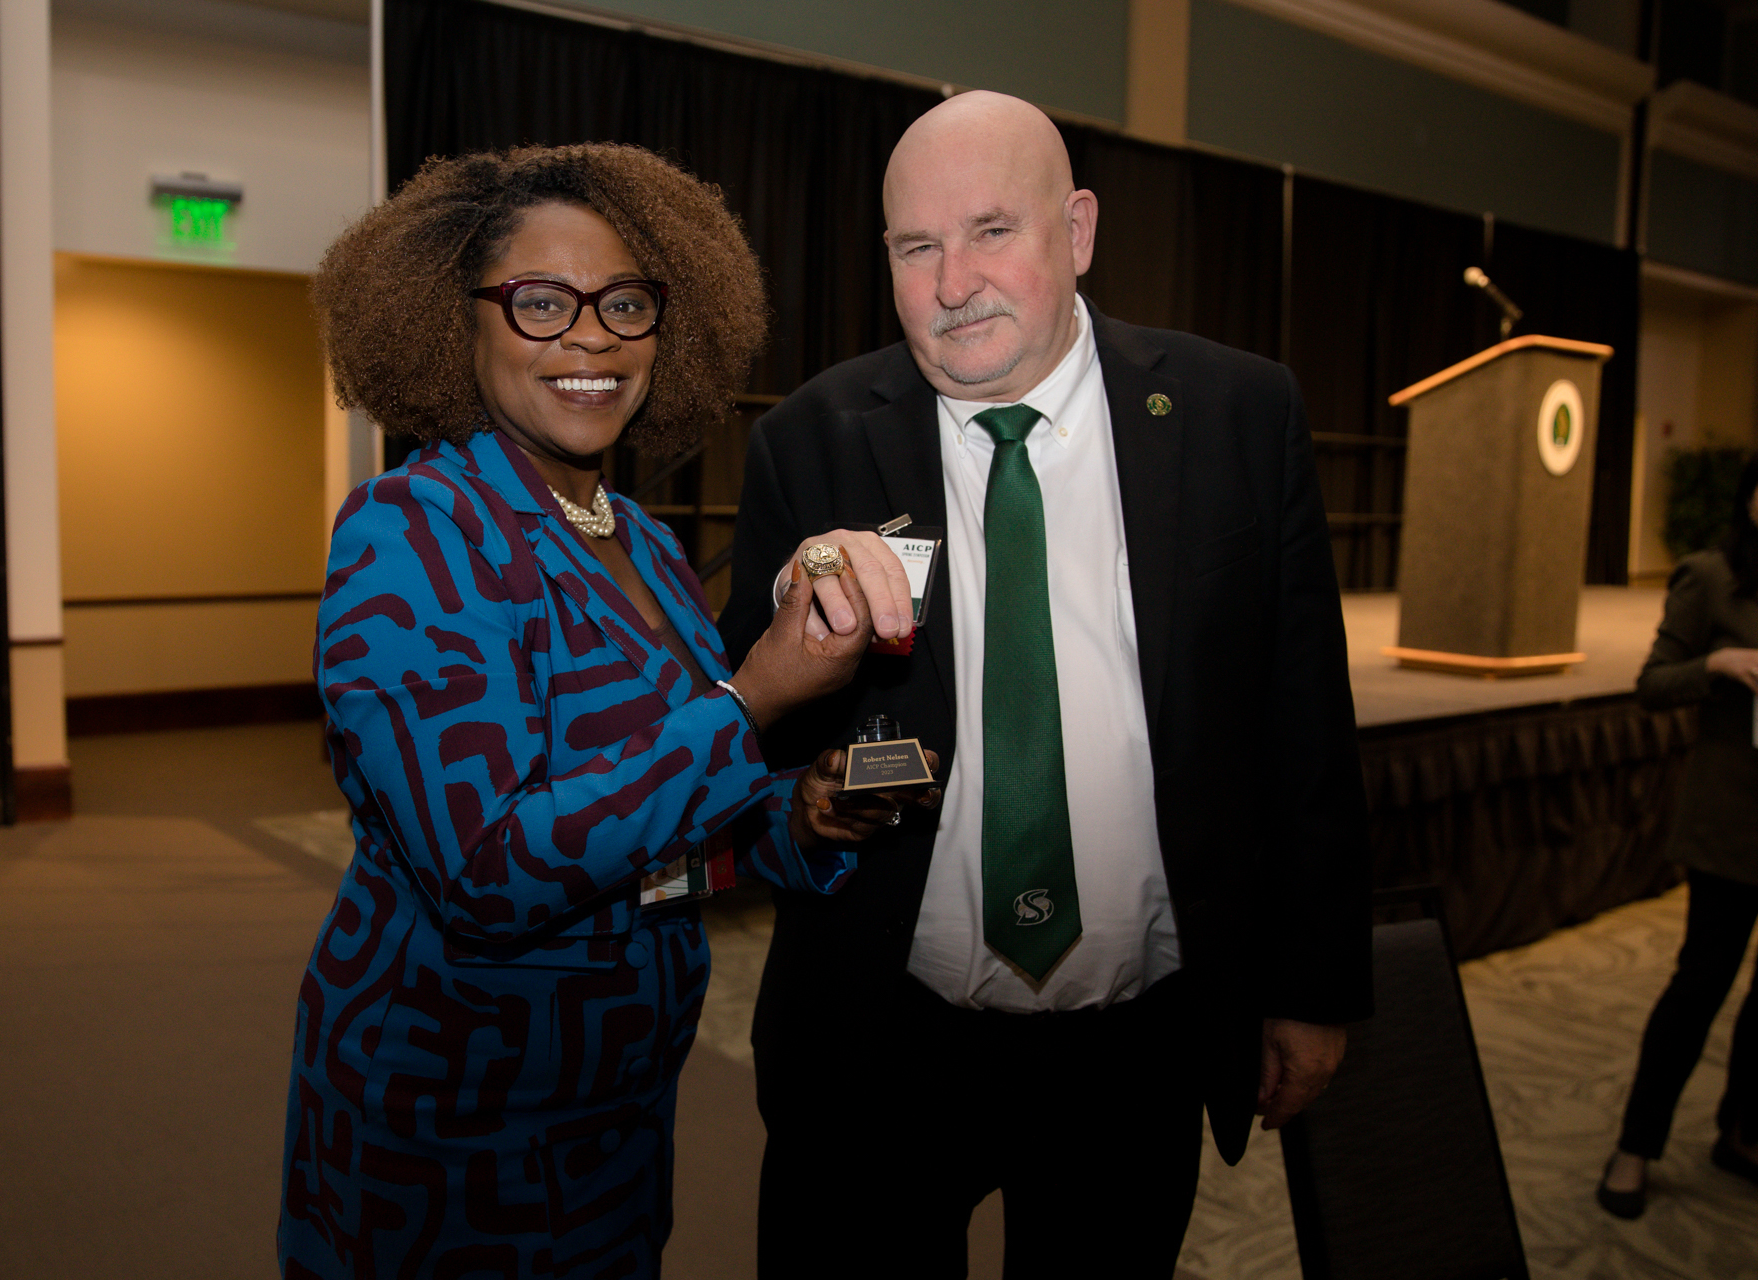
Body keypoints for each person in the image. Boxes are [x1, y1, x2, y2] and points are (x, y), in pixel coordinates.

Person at [717, 91, 1372, 1277]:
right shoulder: (810, 439)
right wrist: (802, 753)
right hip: (884, 1032)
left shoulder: (1237, 413)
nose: (954, 279)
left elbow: (1302, 724)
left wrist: (1313, 982)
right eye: (917, 248)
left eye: (991, 231)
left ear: (1077, 230)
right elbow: (749, 741)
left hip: (1137, 1047)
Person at [278, 143, 930, 1279]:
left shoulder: (648, 544)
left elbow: (656, 843)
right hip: (450, 1114)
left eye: (625, 302)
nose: (592, 336)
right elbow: (484, 864)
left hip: (618, 1106)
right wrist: (757, 696)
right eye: (541, 302)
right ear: (458, 321)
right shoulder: (411, 529)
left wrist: (796, 816)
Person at [1599, 455, 1758, 1219]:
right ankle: (1635, 1147)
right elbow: (1653, 684)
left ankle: (1743, 1131)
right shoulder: (1709, 576)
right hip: (1732, 821)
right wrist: (1718, 663)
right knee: (1699, 987)